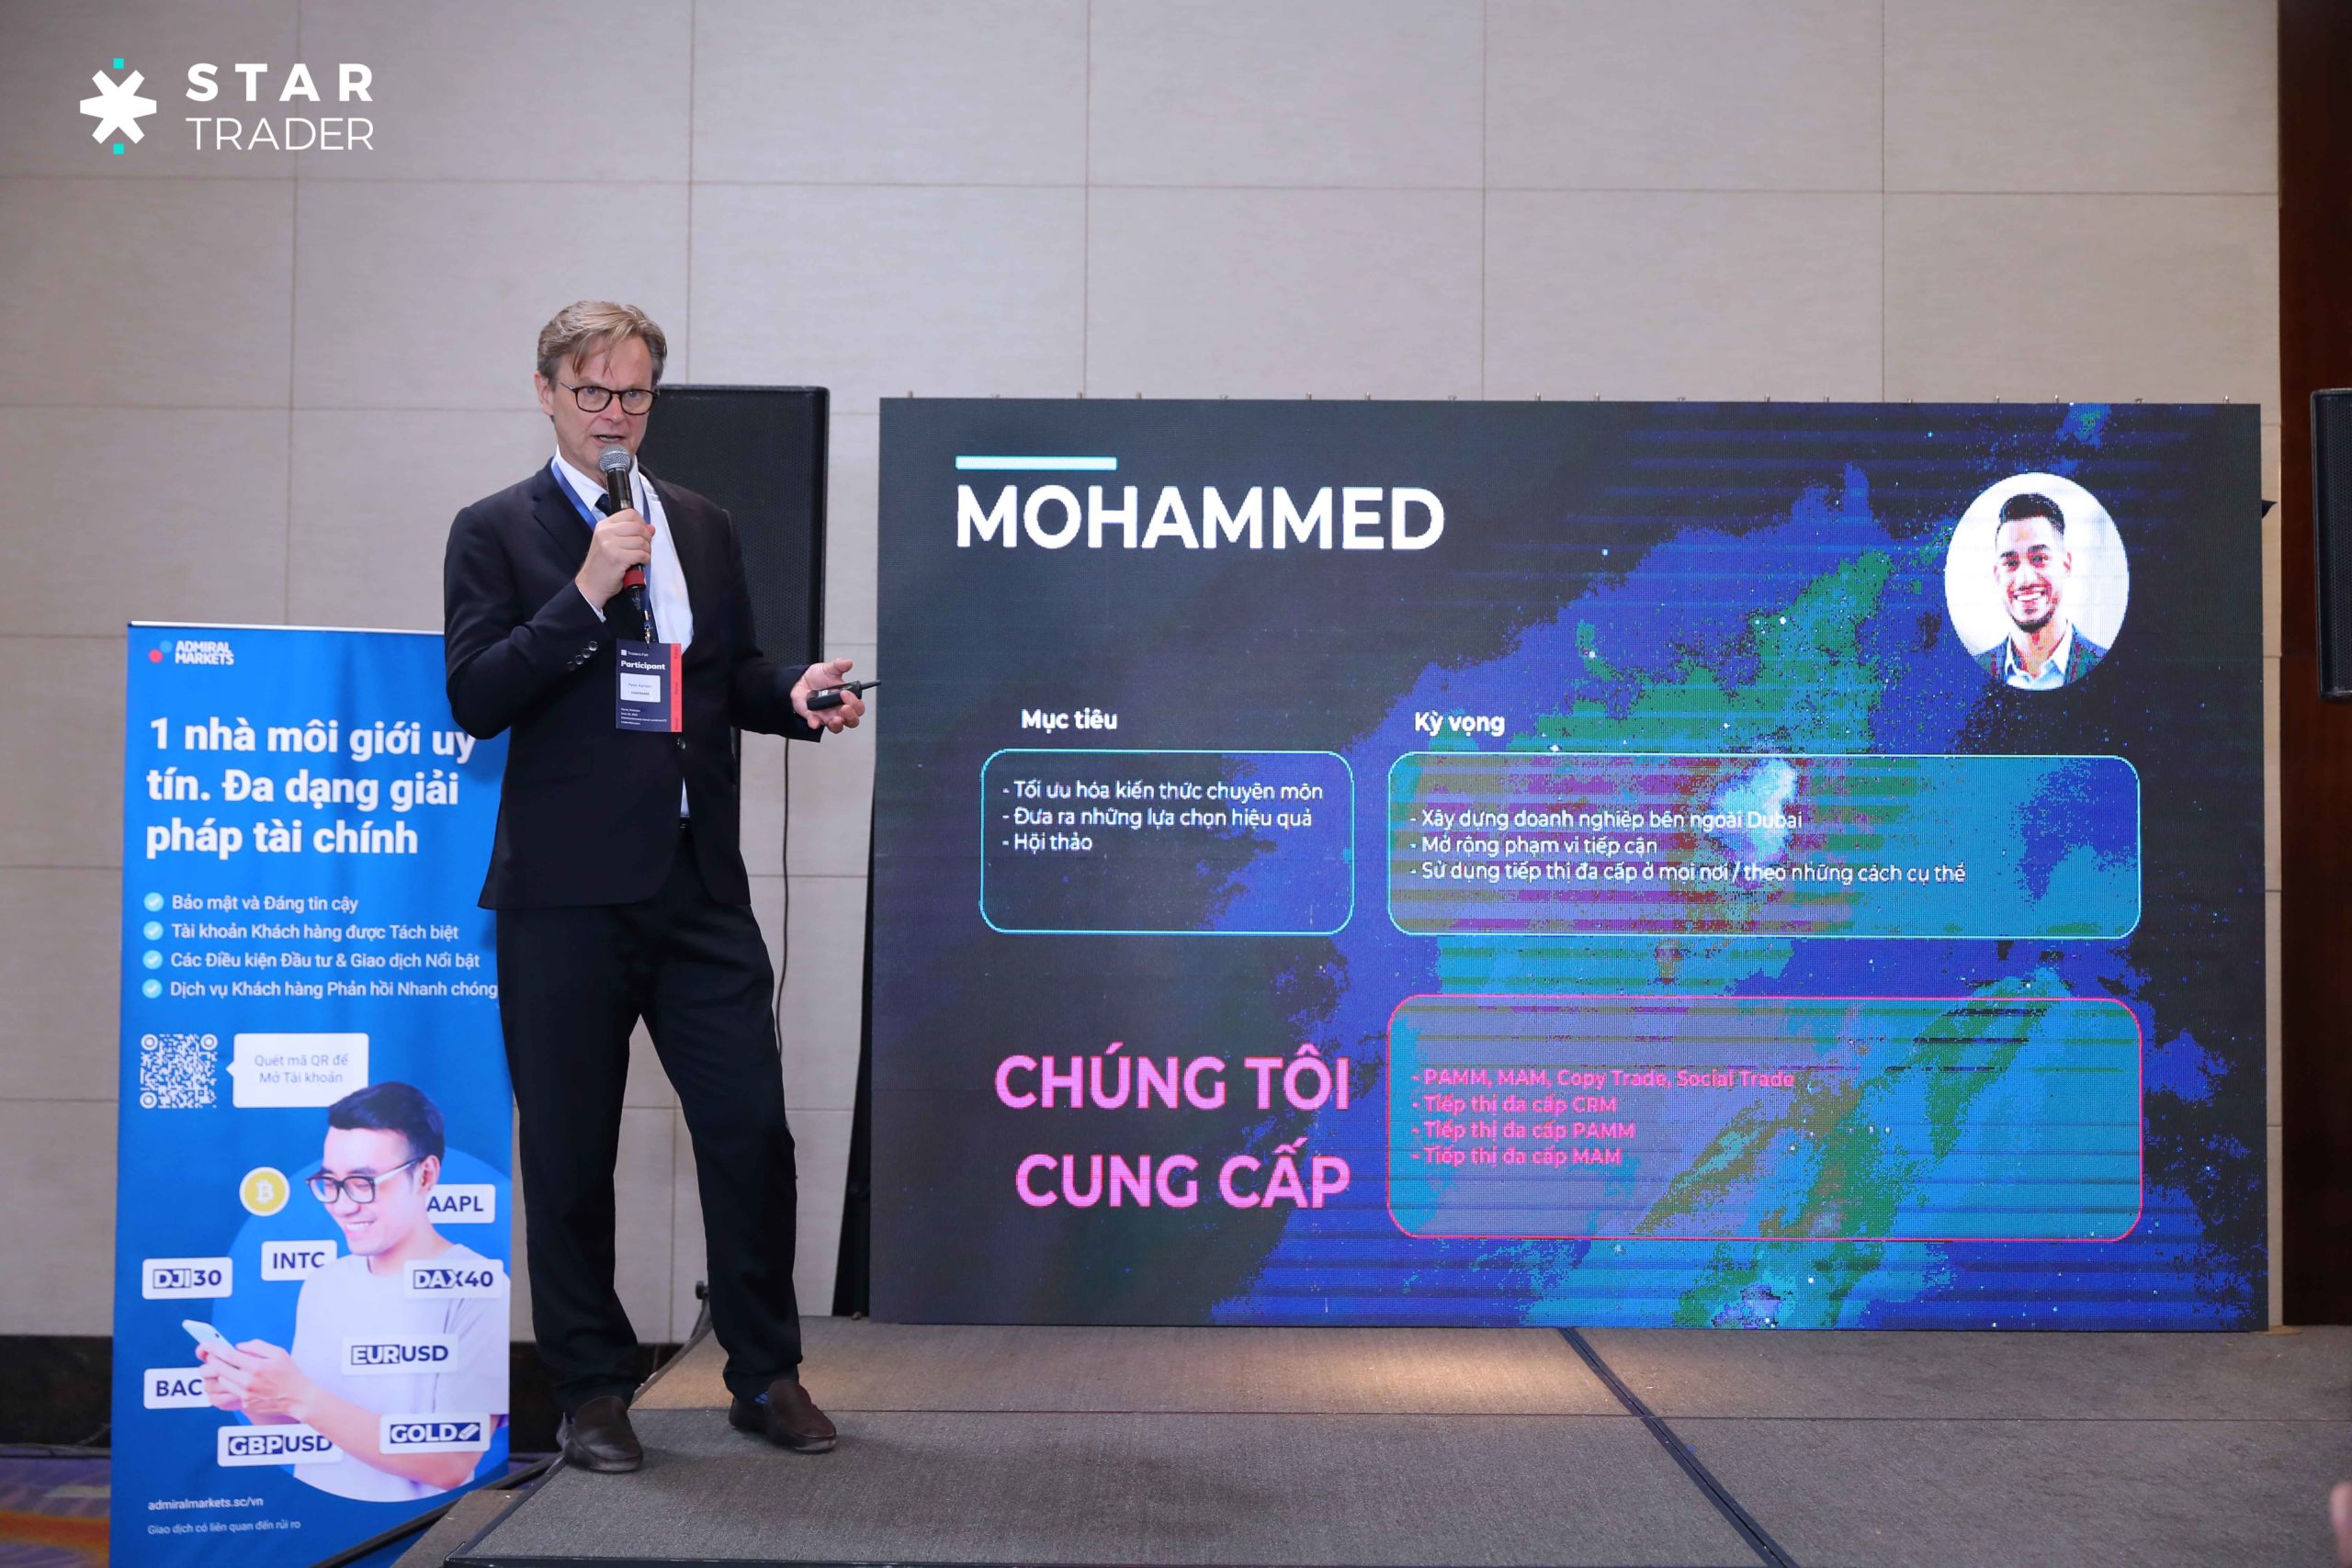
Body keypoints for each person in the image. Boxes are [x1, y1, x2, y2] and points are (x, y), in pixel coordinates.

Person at [441, 299, 865, 1473]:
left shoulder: (702, 523)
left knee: (750, 1131)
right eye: (592, 392)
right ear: (545, 393)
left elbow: (723, 676)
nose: (613, 414)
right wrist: (584, 589)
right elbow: (476, 696)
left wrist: (794, 693)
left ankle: (764, 1372)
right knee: (570, 1150)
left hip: (696, 884)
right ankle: (590, 1390)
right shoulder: (495, 530)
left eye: (632, 394)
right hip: (564, 897)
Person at [199, 1082, 503, 1501]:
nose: (342, 1205)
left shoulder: (478, 1286)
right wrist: (254, 1397)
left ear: (426, 1175)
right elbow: (313, 1431)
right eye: (330, 1182)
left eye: (363, 1182)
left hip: (421, 1529)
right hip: (321, 1517)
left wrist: (299, 1396)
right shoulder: (325, 1282)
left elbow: (451, 1463)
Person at [1976, 491, 2109, 689]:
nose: (2025, 579)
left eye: (2039, 559)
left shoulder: (2108, 669)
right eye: (2011, 563)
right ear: (1997, 575)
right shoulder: (1970, 675)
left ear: (2066, 564)